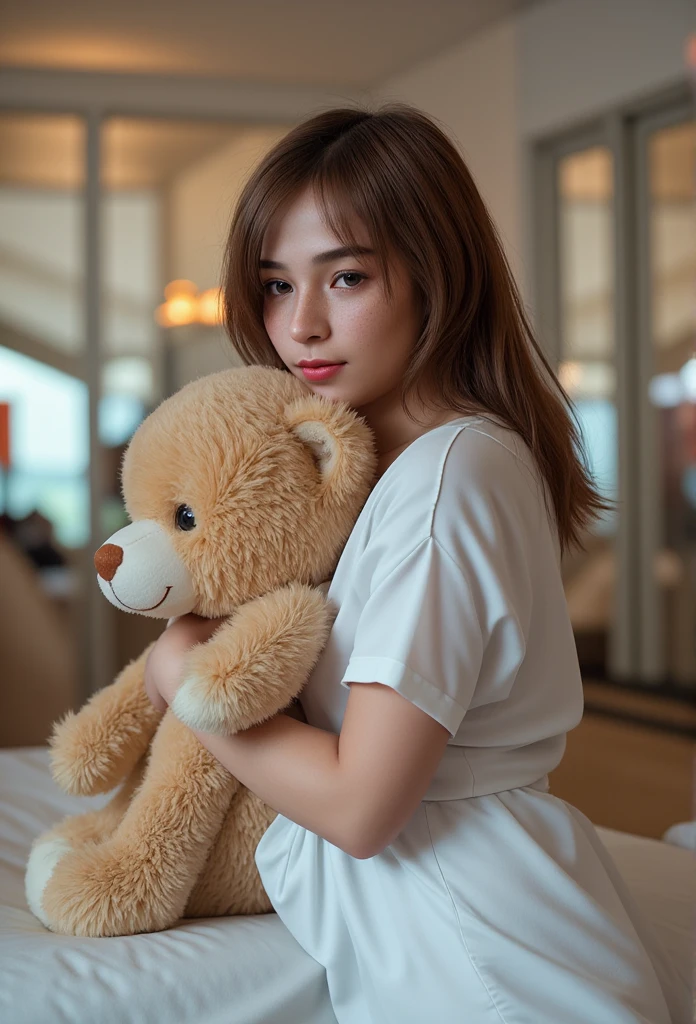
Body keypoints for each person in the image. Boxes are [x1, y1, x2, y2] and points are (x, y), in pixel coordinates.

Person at [144, 104, 686, 1023]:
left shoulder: (448, 480)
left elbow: (362, 805)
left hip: (485, 951)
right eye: (276, 285)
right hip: (461, 915)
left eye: (346, 276)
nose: (302, 325)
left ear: (436, 276)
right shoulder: (393, 470)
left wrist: (186, 679)